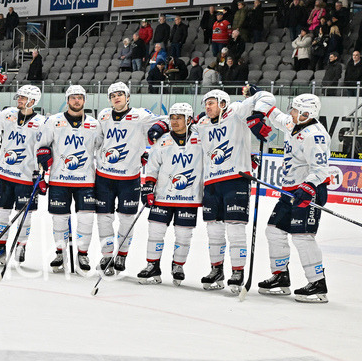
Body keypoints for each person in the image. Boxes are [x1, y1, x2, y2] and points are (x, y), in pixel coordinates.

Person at [248, 91, 331, 301]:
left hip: (309, 191)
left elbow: (321, 169)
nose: (291, 112)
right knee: (274, 231)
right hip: (290, 191)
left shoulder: (316, 135)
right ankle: (280, 276)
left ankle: (317, 283)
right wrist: (258, 106)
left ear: (306, 114)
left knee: (303, 236)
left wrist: (308, 187)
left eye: (295, 110)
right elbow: (275, 115)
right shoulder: (292, 123)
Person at [94, 82, 168, 274]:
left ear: (127, 97)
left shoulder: (140, 115)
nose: (116, 98)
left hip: (129, 177)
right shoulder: (103, 115)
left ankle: (122, 254)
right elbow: (98, 140)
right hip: (104, 175)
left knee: (127, 218)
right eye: (113, 95)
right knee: (103, 218)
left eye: (120, 94)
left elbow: (167, 121)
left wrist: (158, 128)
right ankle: (107, 255)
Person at [195, 88, 261, 292]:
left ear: (223, 103)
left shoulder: (237, 112)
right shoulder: (202, 123)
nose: (207, 107)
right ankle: (216, 269)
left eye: (211, 103)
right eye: (206, 103)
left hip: (236, 180)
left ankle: (238, 271)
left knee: (235, 228)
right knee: (213, 230)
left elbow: (262, 99)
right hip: (211, 183)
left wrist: (255, 99)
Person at [0, 85, 46, 265]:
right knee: (1, 213)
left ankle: (21, 246)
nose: (19, 100)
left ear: (33, 101)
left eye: (23, 98)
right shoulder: (8, 114)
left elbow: (47, 148)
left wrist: (42, 171)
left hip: (26, 177)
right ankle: (0, 248)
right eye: (19, 97)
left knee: (25, 215)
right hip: (4, 174)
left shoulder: (42, 123)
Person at [138, 103, 203, 285]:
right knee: (155, 232)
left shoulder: (201, 138)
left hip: (189, 197)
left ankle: (178, 266)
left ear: (188, 120)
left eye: (179, 118)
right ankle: (152, 265)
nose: (174, 121)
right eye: (172, 118)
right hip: (163, 195)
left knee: (183, 235)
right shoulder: (162, 140)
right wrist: (148, 187)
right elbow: (153, 166)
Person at [39, 85, 101, 273]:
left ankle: (82, 254)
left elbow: (102, 149)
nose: (76, 100)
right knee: (59, 219)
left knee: (86, 219)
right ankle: (60, 253)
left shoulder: (94, 124)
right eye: (73, 97)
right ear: (67, 100)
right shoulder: (53, 121)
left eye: (80, 97)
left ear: (84, 100)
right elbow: (42, 146)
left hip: (86, 180)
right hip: (59, 179)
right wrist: (42, 163)